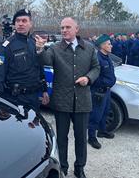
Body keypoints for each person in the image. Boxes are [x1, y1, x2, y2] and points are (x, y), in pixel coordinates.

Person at [35, 17, 100, 178]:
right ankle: (63, 167)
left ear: (76, 29)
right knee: (62, 138)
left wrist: (88, 78)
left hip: (82, 101)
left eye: (67, 27)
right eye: (62, 27)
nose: (64, 30)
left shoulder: (89, 48)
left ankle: (80, 168)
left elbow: (96, 67)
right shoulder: (55, 48)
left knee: (80, 137)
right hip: (61, 101)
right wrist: (40, 50)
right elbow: (45, 62)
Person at [0, 9, 49, 110]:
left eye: (24, 21)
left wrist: (44, 91)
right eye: (18, 21)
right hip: (15, 99)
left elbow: (39, 68)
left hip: (34, 98)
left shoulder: (34, 43)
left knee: (33, 125)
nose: (20, 24)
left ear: (30, 24)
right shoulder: (7, 46)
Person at [88, 34, 116, 149]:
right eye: (109, 44)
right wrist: (106, 83)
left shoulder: (107, 57)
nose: (111, 46)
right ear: (102, 46)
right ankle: (91, 137)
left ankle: (102, 131)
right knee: (95, 115)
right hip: (99, 92)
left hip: (107, 91)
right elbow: (95, 77)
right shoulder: (97, 59)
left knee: (105, 112)